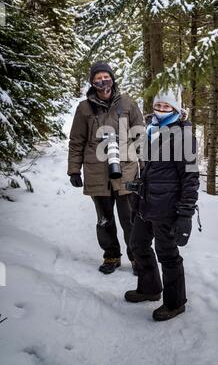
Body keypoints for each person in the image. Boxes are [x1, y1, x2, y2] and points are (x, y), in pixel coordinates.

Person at [124, 87, 199, 321]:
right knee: (137, 244)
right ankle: (150, 288)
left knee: (167, 254)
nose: (162, 109)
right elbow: (152, 169)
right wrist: (139, 185)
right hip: (146, 203)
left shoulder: (183, 135)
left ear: (177, 109)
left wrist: (185, 213)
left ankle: (176, 303)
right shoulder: (151, 130)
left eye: (167, 106)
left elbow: (190, 177)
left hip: (168, 207)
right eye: (158, 105)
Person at [67, 61, 144, 275]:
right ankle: (111, 255)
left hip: (127, 169)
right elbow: (76, 141)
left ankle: (137, 257)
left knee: (130, 219)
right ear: (92, 82)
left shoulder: (128, 103)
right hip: (96, 172)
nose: (103, 82)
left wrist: (145, 167)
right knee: (104, 219)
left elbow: (140, 136)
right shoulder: (84, 108)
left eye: (106, 77)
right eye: (98, 78)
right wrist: (74, 169)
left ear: (112, 78)